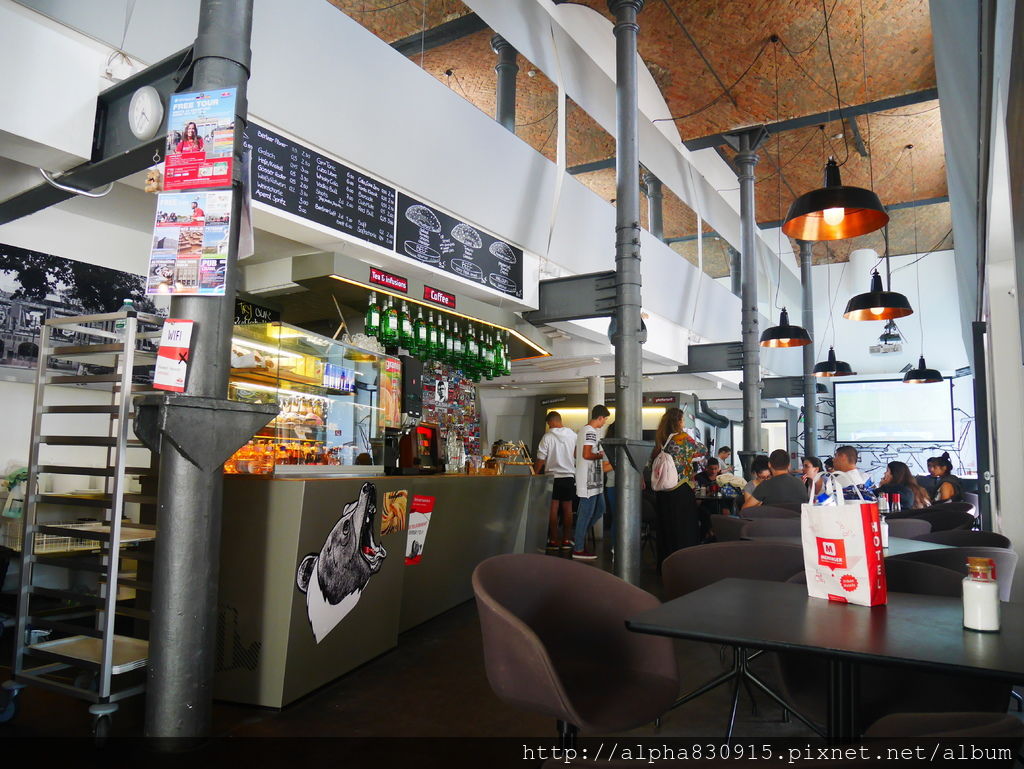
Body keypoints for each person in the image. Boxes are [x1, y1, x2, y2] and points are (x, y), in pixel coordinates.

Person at [650, 407, 706, 567]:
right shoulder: (683, 437)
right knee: (683, 528)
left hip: (663, 491)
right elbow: (702, 450)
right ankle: (683, 564)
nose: (684, 422)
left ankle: (665, 565)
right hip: (680, 489)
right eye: (682, 419)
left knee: (666, 528)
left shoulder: (662, 439)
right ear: (678, 422)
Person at [533, 411, 578, 551]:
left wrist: (534, 473)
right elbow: (577, 455)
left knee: (553, 508)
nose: (549, 426)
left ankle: (553, 540)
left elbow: (541, 458)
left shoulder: (547, 437)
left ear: (552, 421)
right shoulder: (573, 435)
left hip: (552, 477)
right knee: (568, 509)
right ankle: (566, 540)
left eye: (548, 424)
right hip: (569, 476)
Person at [571, 405, 610, 560]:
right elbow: (586, 454)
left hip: (593, 480)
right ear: (600, 418)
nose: (604, 423)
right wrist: (601, 455)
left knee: (600, 508)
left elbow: (576, 453)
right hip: (589, 481)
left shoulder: (583, 431)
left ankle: (578, 536)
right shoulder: (590, 432)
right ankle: (578, 548)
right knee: (586, 514)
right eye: (604, 420)